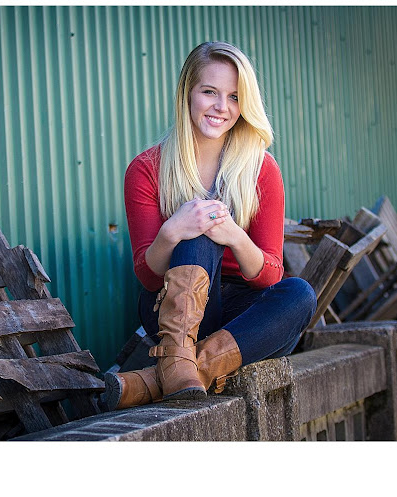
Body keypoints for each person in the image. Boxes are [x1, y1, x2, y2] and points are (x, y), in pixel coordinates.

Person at [104, 41, 317, 410]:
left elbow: (269, 275)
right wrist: (173, 231)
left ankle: (166, 375)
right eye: (210, 92)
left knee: (299, 295)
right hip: (173, 311)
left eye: (235, 97)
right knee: (196, 230)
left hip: (244, 322)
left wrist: (234, 234)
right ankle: (180, 359)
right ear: (188, 93)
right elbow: (149, 278)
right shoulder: (147, 169)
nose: (222, 107)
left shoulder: (260, 168)